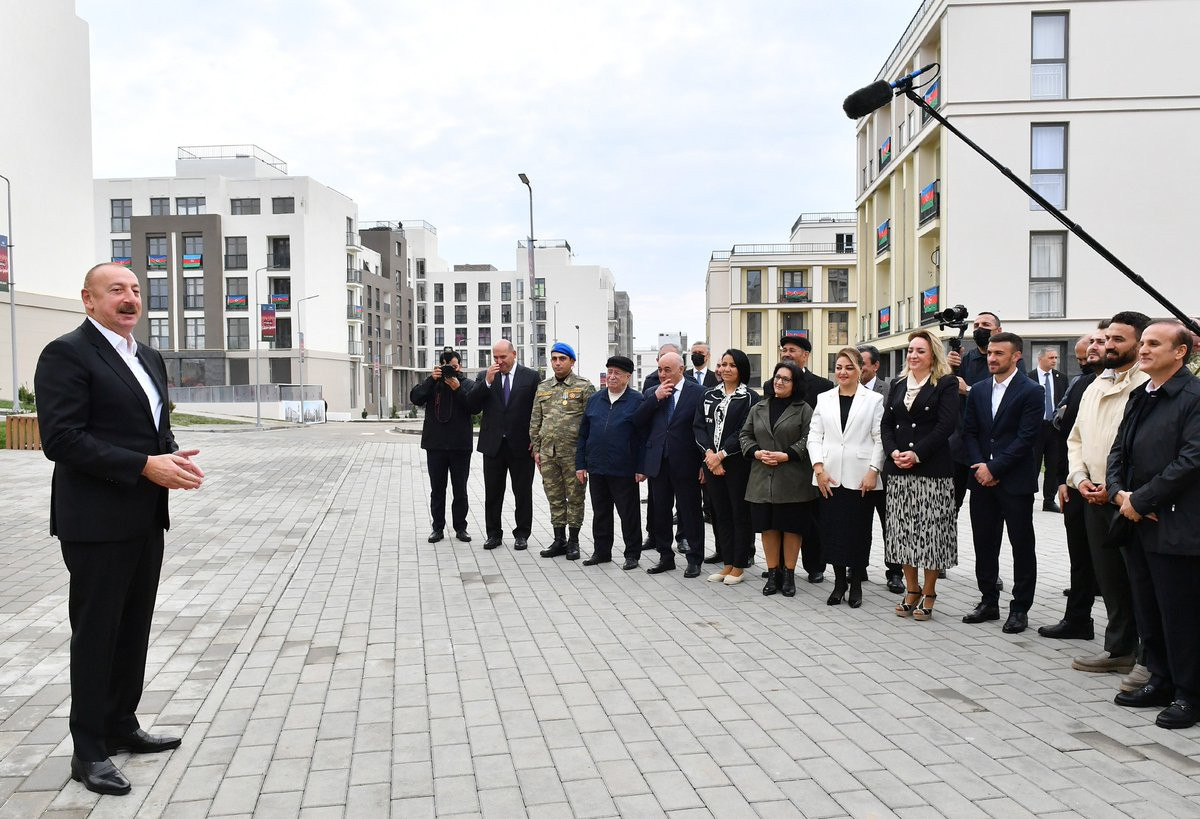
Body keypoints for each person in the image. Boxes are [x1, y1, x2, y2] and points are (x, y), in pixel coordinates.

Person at [34, 263, 203, 796]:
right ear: (88, 299)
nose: (130, 299)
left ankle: (120, 724)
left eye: (135, 290)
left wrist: (170, 455)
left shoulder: (147, 356)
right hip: (95, 521)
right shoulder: (67, 353)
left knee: (133, 628)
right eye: (116, 291)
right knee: (97, 633)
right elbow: (62, 439)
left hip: (144, 514)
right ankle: (88, 751)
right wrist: (143, 466)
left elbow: (152, 426)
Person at [1108, 320, 1200, 729]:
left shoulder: (1193, 397)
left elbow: (1191, 459)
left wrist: (1141, 500)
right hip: (1138, 522)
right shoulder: (1141, 394)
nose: (1143, 349)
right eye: (1142, 342)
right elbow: (1119, 450)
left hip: (1177, 524)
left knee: (1180, 614)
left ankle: (1189, 694)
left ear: (1180, 352)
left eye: (1154, 344)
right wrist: (1120, 495)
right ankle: (1159, 680)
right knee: (1148, 609)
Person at [1062, 313, 1150, 680]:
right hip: (1091, 494)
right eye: (1106, 339)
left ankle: (1149, 658)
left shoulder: (1146, 384)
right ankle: (1118, 649)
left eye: (1118, 340)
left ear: (1139, 344)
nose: (1108, 346)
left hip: (1128, 500)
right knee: (1110, 579)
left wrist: (1114, 490)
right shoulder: (1095, 385)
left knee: (1139, 582)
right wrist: (1079, 478)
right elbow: (1076, 438)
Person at [961, 332, 1045, 634]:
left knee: (1021, 545)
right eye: (990, 353)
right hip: (981, 480)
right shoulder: (980, 390)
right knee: (984, 542)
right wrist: (981, 466)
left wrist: (995, 467)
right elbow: (969, 431)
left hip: (1015, 481)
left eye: (999, 353)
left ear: (1016, 356)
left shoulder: (1032, 391)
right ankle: (988, 601)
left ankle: (1020, 608)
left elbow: (1026, 437)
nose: (992, 358)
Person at [882, 330, 959, 621]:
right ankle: (911, 589)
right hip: (899, 470)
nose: (913, 355)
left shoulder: (946, 383)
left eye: (920, 351)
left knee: (931, 535)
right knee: (903, 534)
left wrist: (916, 454)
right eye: (911, 350)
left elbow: (946, 426)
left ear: (933, 355)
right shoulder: (898, 383)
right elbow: (886, 424)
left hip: (932, 471)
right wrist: (893, 452)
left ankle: (929, 592)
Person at [1039, 331, 1105, 642]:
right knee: (1079, 557)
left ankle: (1128, 639)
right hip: (1077, 484)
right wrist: (1064, 479)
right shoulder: (1082, 384)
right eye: (1086, 349)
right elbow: (1068, 435)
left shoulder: (1134, 385)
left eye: (1103, 342)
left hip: (1112, 488)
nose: (1093, 350)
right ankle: (1078, 619)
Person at [808, 347, 885, 608]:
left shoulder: (873, 400)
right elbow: (814, 436)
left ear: (860, 370)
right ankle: (839, 583)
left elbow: (879, 438)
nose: (843, 372)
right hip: (829, 476)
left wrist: (873, 471)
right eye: (839, 367)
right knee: (832, 532)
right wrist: (819, 469)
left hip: (861, 477)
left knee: (858, 532)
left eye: (849, 367)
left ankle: (856, 584)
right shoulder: (824, 398)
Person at [740, 361, 818, 597]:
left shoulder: (804, 409)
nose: (779, 382)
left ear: (795, 384)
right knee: (768, 527)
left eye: (785, 379)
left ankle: (789, 575)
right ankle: (773, 573)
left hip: (793, 479)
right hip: (762, 478)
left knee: (792, 528)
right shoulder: (759, 407)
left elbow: (810, 437)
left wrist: (788, 454)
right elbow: (745, 434)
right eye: (777, 377)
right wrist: (756, 452)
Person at [764, 333, 832, 582]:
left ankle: (815, 566)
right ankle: (780, 566)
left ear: (805, 355)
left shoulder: (823, 386)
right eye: (784, 350)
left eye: (792, 350)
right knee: (781, 517)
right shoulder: (770, 385)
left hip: (811, 463)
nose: (786, 354)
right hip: (780, 464)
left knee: (811, 518)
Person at [633, 351, 706, 577]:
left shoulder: (699, 393)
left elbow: (704, 430)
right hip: (658, 462)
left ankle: (694, 558)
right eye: (660, 370)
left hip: (687, 462)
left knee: (690, 511)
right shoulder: (651, 392)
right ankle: (665, 556)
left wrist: (703, 463)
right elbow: (637, 422)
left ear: (681, 370)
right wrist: (655, 398)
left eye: (668, 370)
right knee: (661, 512)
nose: (663, 374)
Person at [467, 339, 539, 551]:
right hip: (493, 446)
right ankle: (493, 534)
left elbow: (539, 411)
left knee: (522, 493)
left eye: (503, 357)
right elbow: (472, 406)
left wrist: (536, 441)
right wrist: (486, 383)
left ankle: (522, 534)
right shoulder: (485, 376)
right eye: (495, 357)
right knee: (493, 493)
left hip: (521, 445)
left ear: (514, 354)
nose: (499, 362)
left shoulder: (531, 377)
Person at [694, 348, 759, 584]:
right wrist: (710, 455)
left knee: (739, 514)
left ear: (741, 369)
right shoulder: (708, 395)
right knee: (720, 514)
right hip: (711, 463)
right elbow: (699, 427)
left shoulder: (750, 397)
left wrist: (721, 455)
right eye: (723, 364)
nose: (726, 369)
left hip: (737, 464)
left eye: (732, 365)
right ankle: (727, 564)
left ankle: (739, 566)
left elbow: (744, 430)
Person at [575, 356, 644, 567]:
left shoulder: (637, 401)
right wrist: (580, 464)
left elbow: (643, 438)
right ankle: (602, 552)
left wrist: (641, 467)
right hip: (597, 467)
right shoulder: (595, 399)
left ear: (628, 377)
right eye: (609, 372)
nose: (612, 377)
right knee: (601, 513)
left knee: (628, 514)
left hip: (624, 469)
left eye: (617, 373)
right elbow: (583, 434)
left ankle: (632, 554)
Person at [531, 342, 596, 560]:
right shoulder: (543, 387)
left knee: (575, 498)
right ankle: (559, 540)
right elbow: (536, 420)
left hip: (573, 454)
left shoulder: (584, 386)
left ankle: (574, 541)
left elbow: (590, 423)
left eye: (562, 359)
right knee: (555, 497)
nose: (557, 363)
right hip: (548, 453)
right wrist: (537, 449)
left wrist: (585, 456)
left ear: (572, 361)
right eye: (554, 359)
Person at [410, 349, 474, 543]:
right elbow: (415, 398)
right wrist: (432, 379)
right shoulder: (433, 384)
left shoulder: (466, 384)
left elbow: (474, 406)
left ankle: (461, 528)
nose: (450, 371)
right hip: (436, 446)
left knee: (460, 490)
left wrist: (457, 388)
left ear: (460, 366)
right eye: (446, 367)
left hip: (460, 447)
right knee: (437, 490)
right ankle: (437, 528)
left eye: (453, 367)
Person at [858, 343, 903, 594]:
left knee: (890, 524)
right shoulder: (845, 390)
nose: (857, 369)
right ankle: (858, 567)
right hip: (856, 470)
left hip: (886, 470)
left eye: (862, 364)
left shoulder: (890, 390)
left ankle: (895, 572)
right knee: (859, 523)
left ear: (875, 366)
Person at [948, 311, 1002, 511]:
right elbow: (950, 393)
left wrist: (969, 390)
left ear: (998, 330)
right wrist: (949, 369)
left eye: (986, 325)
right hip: (960, 446)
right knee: (949, 507)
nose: (980, 329)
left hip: (988, 448)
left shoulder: (1009, 362)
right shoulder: (966, 358)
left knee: (985, 510)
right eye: (976, 325)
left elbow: (1002, 397)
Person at [1028, 347, 1067, 512]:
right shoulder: (1029, 377)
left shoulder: (1061, 378)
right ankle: (1028, 498)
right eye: (1051, 357)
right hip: (1035, 427)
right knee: (1033, 463)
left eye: (1056, 357)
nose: (1054, 361)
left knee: (1053, 464)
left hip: (1054, 427)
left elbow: (1065, 399)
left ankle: (1049, 500)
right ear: (1040, 359)